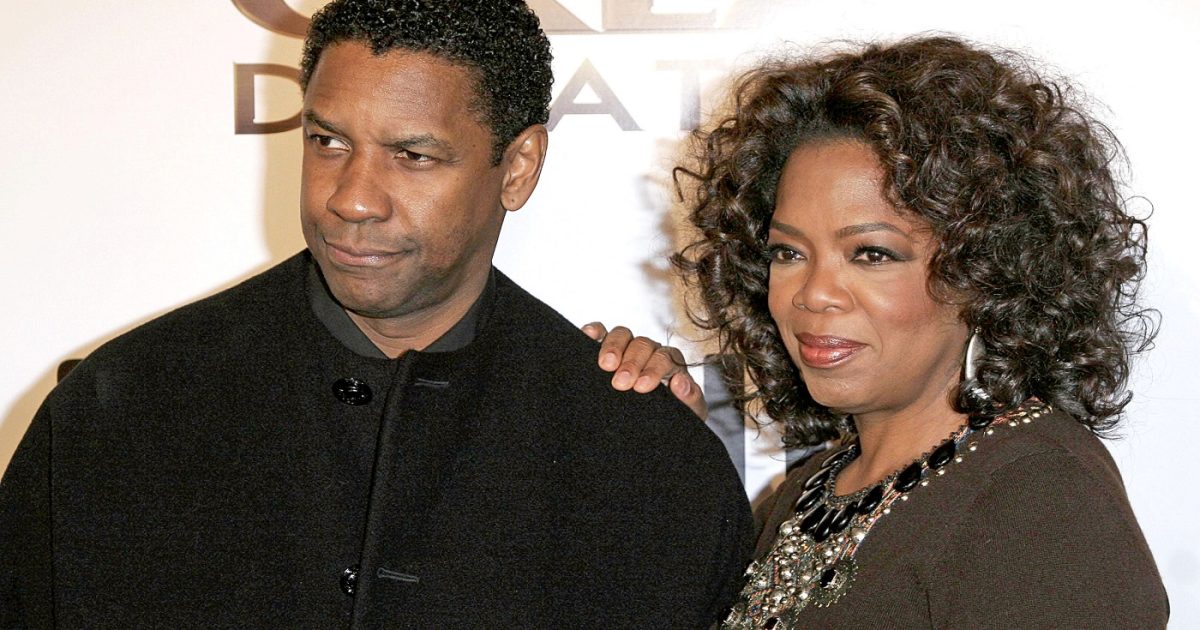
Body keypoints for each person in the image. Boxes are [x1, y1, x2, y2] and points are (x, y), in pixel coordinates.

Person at [0, 1, 753, 626]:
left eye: (412, 156)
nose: (352, 199)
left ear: (518, 167)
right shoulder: (118, 412)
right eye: (328, 142)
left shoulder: (642, 463)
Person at [594, 36, 1169, 628]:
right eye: (788, 252)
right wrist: (671, 449)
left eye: (871, 254)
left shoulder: (1037, 494)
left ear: (986, 270)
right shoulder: (810, 491)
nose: (813, 293)